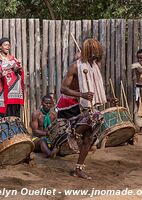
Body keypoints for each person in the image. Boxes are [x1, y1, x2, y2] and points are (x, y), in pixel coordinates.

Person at [56, 38, 117, 179]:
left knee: (89, 138)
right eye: (92, 53)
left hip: (84, 104)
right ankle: (72, 134)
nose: (95, 56)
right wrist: (81, 94)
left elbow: (94, 90)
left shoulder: (94, 67)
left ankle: (78, 169)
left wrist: (107, 99)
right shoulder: (75, 66)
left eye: (96, 53)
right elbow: (63, 89)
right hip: (69, 105)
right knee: (96, 116)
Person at [0, 37, 24, 117]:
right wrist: (11, 67)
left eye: (9, 45)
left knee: (15, 115)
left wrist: (18, 69)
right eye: (5, 45)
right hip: (3, 91)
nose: (8, 47)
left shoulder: (13, 58)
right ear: (0, 46)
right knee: (5, 116)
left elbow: (20, 73)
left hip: (15, 92)